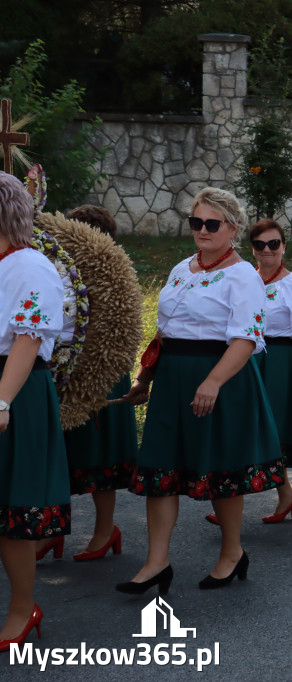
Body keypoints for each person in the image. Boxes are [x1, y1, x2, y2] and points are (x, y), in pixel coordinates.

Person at [120, 187, 283, 593]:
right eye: (197, 223)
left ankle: (231, 552)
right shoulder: (181, 269)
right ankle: (157, 562)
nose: (203, 230)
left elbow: (245, 339)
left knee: (220, 470)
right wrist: (145, 377)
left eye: (212, 224)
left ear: (233, 228)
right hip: (172, 378)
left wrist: (212, 381)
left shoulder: (243, 275)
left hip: (221, 379)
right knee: (160, 468)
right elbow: (165, 332)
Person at [204, 219, 292, 526]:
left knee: (264, 430)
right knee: (241, 427)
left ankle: (249, 500)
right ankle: (277, 496)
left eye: (274, 244)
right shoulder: (244, 279)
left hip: (278, 362)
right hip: (243, 358)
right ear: (253, 249)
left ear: (284, 246)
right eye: (260, 245)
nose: (267, 250)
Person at [0, 172, 70, 649]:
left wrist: (2, 399)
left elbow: (29, 338)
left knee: (13, 507)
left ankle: (24, 607)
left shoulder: (31, 266)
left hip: (14, 389)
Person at [48, 205, 136, 561]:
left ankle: (105, 531)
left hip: (100, 374)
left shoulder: (112, 280)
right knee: (58, 456)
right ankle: (51, 532)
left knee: (100, 458)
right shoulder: (58, 270)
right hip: (63, 374)